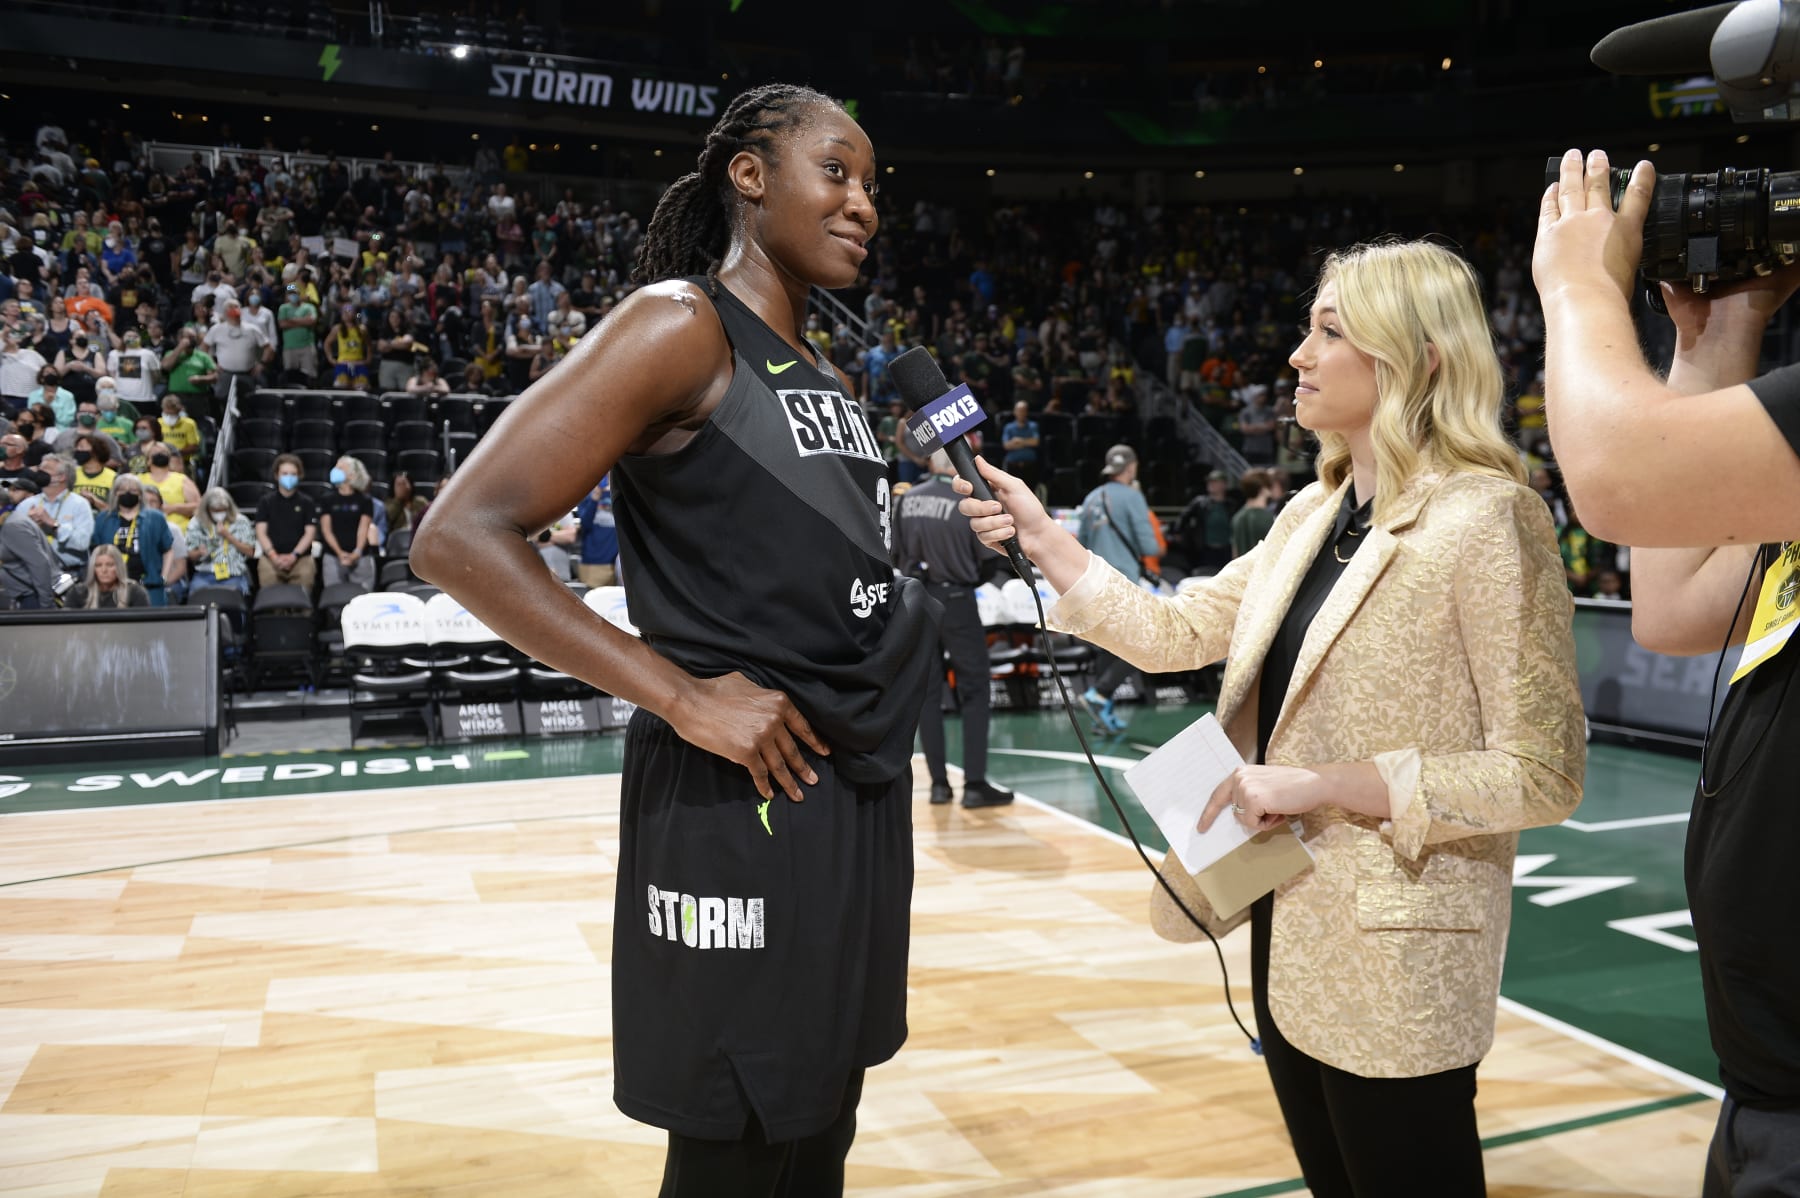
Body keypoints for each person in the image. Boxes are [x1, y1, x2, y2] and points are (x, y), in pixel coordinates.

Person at [958, 239, 1585, 1197]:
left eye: (1329, 331)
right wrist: (1046, 539)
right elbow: (1174, 630)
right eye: (1306, 328)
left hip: (1400, 961)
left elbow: (1543, 772)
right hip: (1284, 930)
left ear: (1415, 356)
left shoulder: (1489, 519)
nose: (1296, 355)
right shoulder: (1308, 515)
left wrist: (1327, 785)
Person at [409, 83, 935, 1197]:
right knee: (737, 1145)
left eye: (873, 186)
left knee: (817, 1121)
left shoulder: (831, 373)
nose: (864, 205)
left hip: (844, 787)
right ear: (750, 174)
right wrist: (682, 696)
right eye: (836, 171)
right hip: (733, 782)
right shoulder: (679, 323)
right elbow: (460, 535)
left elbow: (807, 564)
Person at [1536, 147, 1800, 1194]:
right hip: (1765, 1081)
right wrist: (1720, 338)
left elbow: (1620, 480)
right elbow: (1674, 602)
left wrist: (1576, 283)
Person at [893, 448, 1013, 808]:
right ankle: (974, 785)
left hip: (917, 602)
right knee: (975, 691)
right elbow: (990, 559)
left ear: (931, 463)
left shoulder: (908, 498)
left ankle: (939, 786)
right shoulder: (966, 501)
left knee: (927, 695)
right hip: (958, 600)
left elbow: (895, 555)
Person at [1075, 444, 1157, 732]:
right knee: (1139, 642)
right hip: (1123, 582)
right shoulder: (1133, 497)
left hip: (1094, 582)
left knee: (1106, 648)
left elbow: (1080, 543)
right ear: (1131, 468)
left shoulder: (1090, 498)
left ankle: (1102, 717)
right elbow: (1150, 545)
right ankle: (1100, 694)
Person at [93, 473, 174, 606]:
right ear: (115, 494)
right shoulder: (103, 519)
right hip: (113, 586)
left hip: (150, 585)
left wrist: (164, 577)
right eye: (122, 490)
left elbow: (168, 549)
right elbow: (97, 550)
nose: (128, 493)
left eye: (133, 490)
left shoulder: (155, 518)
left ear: (140, 494)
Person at [14, 454, 93, 571]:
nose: (39, 471)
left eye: (46, 469)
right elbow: (13, 542)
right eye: (40, 468)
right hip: (32, 572)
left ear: (61, 477)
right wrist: (28, 526)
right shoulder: (26, 505)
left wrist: (53, 525)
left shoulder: (80, 504)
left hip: (69, 572)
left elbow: (82, 543)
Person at [255, 453, 318, 591]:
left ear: (299, 475)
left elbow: (310, 533)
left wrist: (294, 555)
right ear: (277, 475)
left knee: (304, 590)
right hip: (270, 559)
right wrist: (274, 556)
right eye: (284, 473)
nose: (289, 477)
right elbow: (261, 532)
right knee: (271, 598)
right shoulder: (265, 502)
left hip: (301, 559)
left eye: (293, 473)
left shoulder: (307, 502)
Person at [0, 471, 58, 609]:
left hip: (34, 598)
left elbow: (40, 564)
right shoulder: (7, 522)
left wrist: (46, 606)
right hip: (22, 595)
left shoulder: (13, 525)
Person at [319, 455, 375, 587]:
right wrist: (340, 553)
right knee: (334, 597)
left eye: (340, 468)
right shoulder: (327, 499)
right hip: (333, 556)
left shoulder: (365, 500)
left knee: (362, 597)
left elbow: (363, 529)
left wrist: (357, 552)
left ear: (351, 475)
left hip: (361, 556)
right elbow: (326, 530)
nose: (335, 470)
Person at [188, 487, 256, 593]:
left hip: (234, 574)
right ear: (207, 509)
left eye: (223, 510)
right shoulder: (196, 523)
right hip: (205, 573)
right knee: (196, 593)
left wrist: (228, 536)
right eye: (215, 511)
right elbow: (191, 555)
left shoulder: (241, 521)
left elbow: (251, 552)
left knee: (232, 596)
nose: (219, 513)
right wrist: (199, 553)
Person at [138, 436, 200, 531]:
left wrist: (174, 508)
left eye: (163, 452)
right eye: (155, 452)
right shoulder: (139, 480)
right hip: (146, 529)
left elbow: (198, 506)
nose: (160, 454)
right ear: (148, 460)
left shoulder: (181, 479)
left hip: (179, 530)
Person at [66, 542, 149, 609]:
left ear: (119, 567)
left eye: (110, 565)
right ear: (93, 568)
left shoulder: (135, 592)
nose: (104, 570)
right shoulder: (78, 593)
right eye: (98, 565)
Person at [574, 475, 618, 587]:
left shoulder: (622, 488)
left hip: (619, 563)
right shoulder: (589, 487)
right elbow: (585, 524)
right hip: (594, 564)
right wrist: (594, 499)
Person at [1231, 468, 1277, 559]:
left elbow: (1235, 552)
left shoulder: (1237, 517)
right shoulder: (1268, 518)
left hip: (1242, 570)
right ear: (1263, 489)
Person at [999, 399, 1041, 496]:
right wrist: (1026, 442)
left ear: (1026, 412)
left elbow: (1035, 442)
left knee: (1030, 493)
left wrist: (1018, 441)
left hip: (1029, 466)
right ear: (1015, 411)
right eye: (1019, 410)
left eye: (1023, 410)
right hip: (1013, 466)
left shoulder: (1033, 426)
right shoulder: (1009, 427)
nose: (1021, 413)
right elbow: (1006, 445)